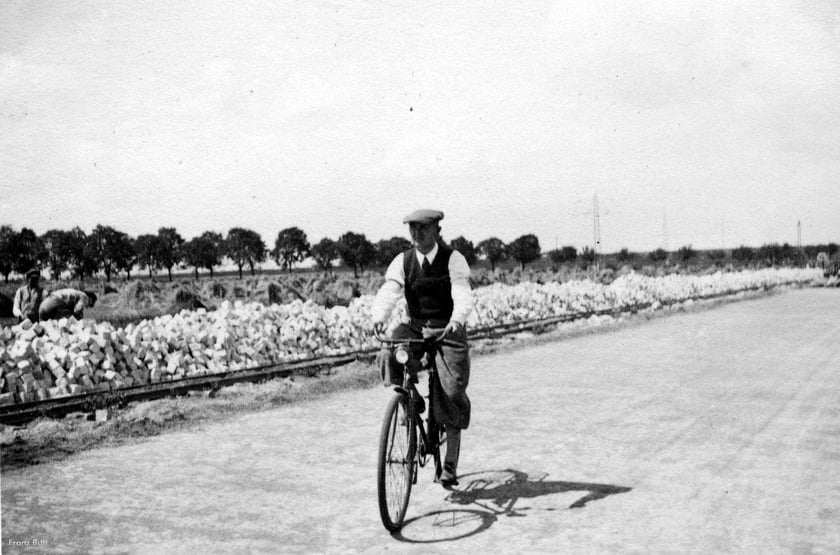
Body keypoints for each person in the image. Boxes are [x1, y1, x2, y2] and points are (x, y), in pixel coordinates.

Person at [372, 209, 473, 487]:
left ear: (437, 230)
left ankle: (450, 462)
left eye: (424, 229)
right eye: (412, 229)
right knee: (388, 353)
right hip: (415, 325)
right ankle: (409, 400)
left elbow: (462, 294)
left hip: (446, 327)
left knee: (451, 390)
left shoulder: (453, 259)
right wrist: (379, 317)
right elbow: (390, 291)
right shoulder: (402, 261)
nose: (417, 235)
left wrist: (455, 321)